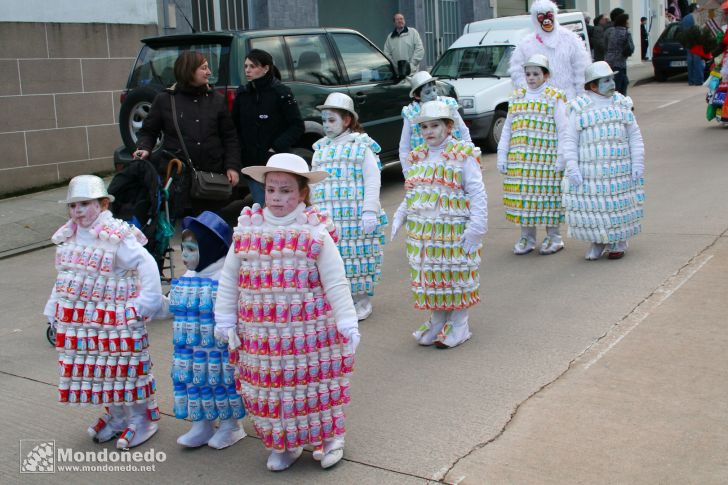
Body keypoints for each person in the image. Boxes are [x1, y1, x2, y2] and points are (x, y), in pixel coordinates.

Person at [213, 153, 360, 471]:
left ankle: (330, 437)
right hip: (261, 336)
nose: (277, 197)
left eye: (286, 190)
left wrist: (347, 320)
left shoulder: (314, 233)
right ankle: (286, 442)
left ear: (302, 193)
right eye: (271, 189)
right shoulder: (248, 229)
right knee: (273, 390)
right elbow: (229, 278)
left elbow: (336, 282)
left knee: (312, 388)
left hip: (308, 334)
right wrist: (224, 318)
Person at [45, 175, 163, 448]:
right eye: (73, 206)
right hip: (88, 322)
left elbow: (146, 263)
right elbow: (66, 276)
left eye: (85, 204)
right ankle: (117, 415)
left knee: (127, 370)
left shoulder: (116, 236)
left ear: (103, 204)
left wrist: (147, 301)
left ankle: (141, 419)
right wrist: (54, 308)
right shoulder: (71, 237)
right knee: (101, 372)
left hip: (119, 319)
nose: (78, 212)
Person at [391, 101, 487, 349]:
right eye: (424, 127)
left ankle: (459, 323)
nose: (429, 131)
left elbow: (477, 193)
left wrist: (476, 228)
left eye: (435, 125)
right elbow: (414, 192)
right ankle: (437, 319)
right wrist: (401, 214)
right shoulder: (418, 157)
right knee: (432, 277)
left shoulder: (462, 155)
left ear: (449, 126)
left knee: (456, 276)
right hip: (424, 234)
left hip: (454, 232)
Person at [160, 211, 247, 449]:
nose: (185, 256)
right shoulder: (189, 276)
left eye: (191, 249)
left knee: (224, 384)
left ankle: (231, 425)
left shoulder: (225, 278)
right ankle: (202, 424)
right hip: (191, 346)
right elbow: (175, 305)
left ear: (210, 248)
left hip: (219, 348)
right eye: (183, 249)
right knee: (196, 384)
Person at [134, 51, 241, 222]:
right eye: (204, 68)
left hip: (211, 178)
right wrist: (144, 148)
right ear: (189, 70)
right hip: (178, 177)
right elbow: (148, 131)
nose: (209, 72)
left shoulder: (216, 100)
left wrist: (232, 167)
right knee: (187, 229)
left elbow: (230, 137)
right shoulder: (165, 99)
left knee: (210, 226)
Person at [311, 93, 387, 321]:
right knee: (333, 258)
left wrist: (370, 210)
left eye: (331, 120)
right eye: (324, 120)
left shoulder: (361, 146)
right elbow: (313, 182)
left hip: (355, 215)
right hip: (328, 215)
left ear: (347, 120)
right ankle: (337, 299)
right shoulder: (320, 149)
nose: (326, 125)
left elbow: (372, 178)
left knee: (358, 258)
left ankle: (361, 299)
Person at [560, 61, 645, 260]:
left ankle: (618, 241)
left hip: (619, 169)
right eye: (606, 80)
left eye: (611, 79)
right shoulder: (579, 108)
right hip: (590, 171)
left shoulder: (622, 103)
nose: (611, 83)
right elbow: (570, 139)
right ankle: (597, 241)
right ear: (593, 85)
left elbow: (634, 135)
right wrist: (571, 166)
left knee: (617, 206)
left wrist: (638, 162)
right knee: (594, 208)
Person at [497, 54, 569, 255]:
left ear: (545, 75)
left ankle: (554, 237)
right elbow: (508, 129)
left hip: (546, 161)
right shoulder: (517, 97)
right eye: (528, 74)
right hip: (520, 163)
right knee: (525, 200)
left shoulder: (555, 97)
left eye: (536, 74)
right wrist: (502, 154)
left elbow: (563, 129)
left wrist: (562, 157)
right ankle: (526, 238)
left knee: (548, 200)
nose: (531, 78)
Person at [233, 49, 305, 206]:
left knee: (278, 207)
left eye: (252, 66)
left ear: (265, 68)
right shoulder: (243, 94)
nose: (247, 70)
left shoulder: (281, 93)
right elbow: (235, 126)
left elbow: (297, 126)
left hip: (275, 162)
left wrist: (276, 147)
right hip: (251, 163)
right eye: (246, 66)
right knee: (261, 206)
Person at [509, 0, 592, 100]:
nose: (546, 21)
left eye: (549, 16)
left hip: (568, 100)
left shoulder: (571, 39)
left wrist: (582, 98)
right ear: (535, 19)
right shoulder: (526, 44)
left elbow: (582, 70)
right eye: (541, 17)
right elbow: (517, 72)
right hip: (540, 104)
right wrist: (530, 94)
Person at [399, 71, 471, 174]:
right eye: (427, 92)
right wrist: (407, 171)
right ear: (417, 96)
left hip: (452, 159)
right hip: (425, 164)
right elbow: (404, 145)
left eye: (434, 90)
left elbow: (463, 129)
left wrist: (469, 151)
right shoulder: (411, 112)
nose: (433, 94)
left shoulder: (447, 104)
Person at [605, 13, 634, 95]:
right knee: (622, 84)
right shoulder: (626, 33)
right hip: (620, 62)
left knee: (612, 84)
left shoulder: (610, 31)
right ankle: (622, 103)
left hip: (609, 61)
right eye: (627, 21)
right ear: (624, 22)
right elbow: (631, 48)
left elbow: (605, 44)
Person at [682, 5, 706, 85]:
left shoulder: (684, 18)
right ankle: (698, 81)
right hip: (696, 42)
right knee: (697, 62)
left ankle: (691, 80)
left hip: (688, 43)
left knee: (690, 61)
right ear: (695, 9)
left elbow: (681, 30)